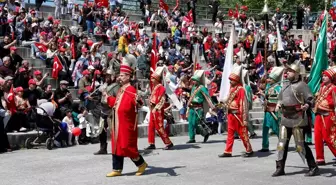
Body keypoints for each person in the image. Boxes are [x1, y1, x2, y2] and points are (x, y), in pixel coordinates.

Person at [272, 61, 318, 177]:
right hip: (285, 118)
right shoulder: (285, 84)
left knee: (300, 145)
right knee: (282, 144)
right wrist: (278, 104)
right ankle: (280, 168)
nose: (288, 73)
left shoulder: (302, 85)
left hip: (298, 118)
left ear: (297, 73)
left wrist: (306, 105)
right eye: (288, 71)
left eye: (291, 71)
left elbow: (311, 99)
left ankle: (313, 166)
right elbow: (280, 98)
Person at [105, 54, 147, 177]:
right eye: (120, 75)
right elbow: (117, 104)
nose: (120, 77)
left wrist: (139, 100)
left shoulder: (131, 90)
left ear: (128, 77)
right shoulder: (121, 89)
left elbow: (137, 102)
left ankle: (141, 164)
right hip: (117, 122)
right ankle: (117, 169)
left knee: (126, 145)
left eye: (122, 75)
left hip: (126, 123)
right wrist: (108, 98)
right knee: (116, 145)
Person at [218, 65, 253, 157]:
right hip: (230, 114)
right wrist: (222, 101)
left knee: (242, 133)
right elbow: (228, 98)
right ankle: (227, 151)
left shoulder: (241, 89)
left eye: (232, 79)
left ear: (237, 80)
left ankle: (249, 150)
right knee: (230, 133)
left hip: (238, 115)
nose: (230, 81)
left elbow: (243, 104)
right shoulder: (232, 89)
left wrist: (244, 117)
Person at [145, 66, 174, 150]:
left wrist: (157, 108)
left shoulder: (161, 87)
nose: (151, 80)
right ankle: (151, 143)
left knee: (159, 127)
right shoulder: (154, 87)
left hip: (157, 109)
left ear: (157, 79)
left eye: (153, 78)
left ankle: (168, 143)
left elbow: (162, 99)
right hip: (152, 109)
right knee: (151, 126)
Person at [94, 70, 121, 155]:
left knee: (114, 131)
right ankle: (103, 148)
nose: (107, 78)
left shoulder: (116, 86)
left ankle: (118, 148)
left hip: (111, 111)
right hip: (103, 110)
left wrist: (106, 95)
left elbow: (117, 99)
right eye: (106, 76)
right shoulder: (104, 85)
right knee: (101, 130)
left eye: (109, 76)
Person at [313, 68, 336, 165]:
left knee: (328, 137)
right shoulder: (321, 87)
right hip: (318, 114)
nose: (323, 77)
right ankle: (320, 158)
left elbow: (334, 102)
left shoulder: (334, 88)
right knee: (317, 136)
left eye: (326, 76)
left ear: (331, 78)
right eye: (323, 76)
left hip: (328, 115)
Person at [186, 70, 215, 143]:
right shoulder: (193, 88)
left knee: (196, 123)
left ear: (198, 80)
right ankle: (192, 138)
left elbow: (207, 97)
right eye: (193, 80)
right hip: (191, 107)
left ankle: (205, 133)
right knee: (190, 123)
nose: (193, 81)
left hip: (198, 108)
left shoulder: (202, 88)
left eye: (195, 80)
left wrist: (212, 107)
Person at [259, 67, 283, 152]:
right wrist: (262, 94)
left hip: (274, 110)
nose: (269, 79)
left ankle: (282, 144)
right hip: (267, 110)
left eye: (271, 78)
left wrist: (278, 106)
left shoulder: (279, 88)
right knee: (265, 128)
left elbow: (281, 98)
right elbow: (266, 96)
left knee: (276, 128)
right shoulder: (269, 86)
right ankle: (265, 146)